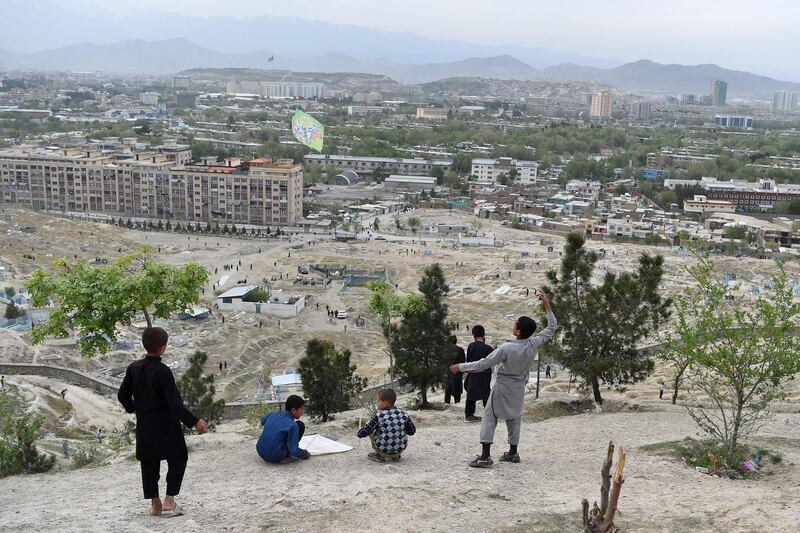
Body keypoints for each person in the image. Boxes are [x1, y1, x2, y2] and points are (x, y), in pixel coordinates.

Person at [450, 293, 557, 468]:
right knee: (514, 417)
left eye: (515, 324)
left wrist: (460, 367)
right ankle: (513, 452)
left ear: (518, 331)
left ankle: (485, 456)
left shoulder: (507, 348)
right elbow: (552, 326)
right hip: (518, 387)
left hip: (502, 387)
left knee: (489, 416)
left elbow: (483, 364)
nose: (513, 324)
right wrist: (546, 303)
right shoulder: (533, 344)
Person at [118, 327, 208, 516]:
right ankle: (169, 500)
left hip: (145, 425)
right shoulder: (163, 371)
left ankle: (155, 504)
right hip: (166, 425)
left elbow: (122, 395)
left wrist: (134, 407)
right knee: (178, 458)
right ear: (162, 348)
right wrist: (195, 421)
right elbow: (175, 404)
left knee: (149, 463)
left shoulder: (133, 368)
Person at [357, 389, 416, 463]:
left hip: (383, 450)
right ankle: (396, 456)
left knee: (371, 428)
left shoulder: (379, 416)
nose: (377, 403)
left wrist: (359, 433)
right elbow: (412, 432)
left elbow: (365, 432)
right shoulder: (404, 414)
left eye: (378, 401)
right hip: (400, 449)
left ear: (385, 403)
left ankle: (380, 456)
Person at [257, 395, 310, 464]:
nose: (303, 412)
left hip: (260, 451)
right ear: (293, 410)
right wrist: (305, 454)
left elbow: (262, 421)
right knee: (300, 425)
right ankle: (285, 456)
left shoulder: (273, 414)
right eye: (302, 409)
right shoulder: (293, 425)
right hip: (275, 456)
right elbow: (293, 450)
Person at [464, 325, 493, 422]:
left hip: (473, 373)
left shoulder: (471, 346)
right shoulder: (489, 348)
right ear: (484, 334)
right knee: (486, 394)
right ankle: (489, 414)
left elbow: (468, 362)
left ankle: (469, 415)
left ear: (473, 335)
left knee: (471, 395)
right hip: (485, 374)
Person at [444, 335, 465, 405]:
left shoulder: (446, 350)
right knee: (457, 397)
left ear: (449, 342)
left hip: (448, 375)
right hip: (458, 375)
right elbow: (463, 363)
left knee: (447, 396)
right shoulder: (461, 350)